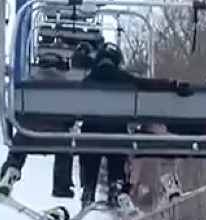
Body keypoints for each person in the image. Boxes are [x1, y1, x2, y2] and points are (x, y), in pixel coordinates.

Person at [76, 42, 192, 208]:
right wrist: (173, 85)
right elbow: (148, 85)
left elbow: (75, 105)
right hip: (116, 132)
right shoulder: (123, 78)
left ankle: (88, 187)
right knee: (118, 148)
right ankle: (115, 185)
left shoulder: (87, 81)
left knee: (89, 148)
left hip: (91, 131)